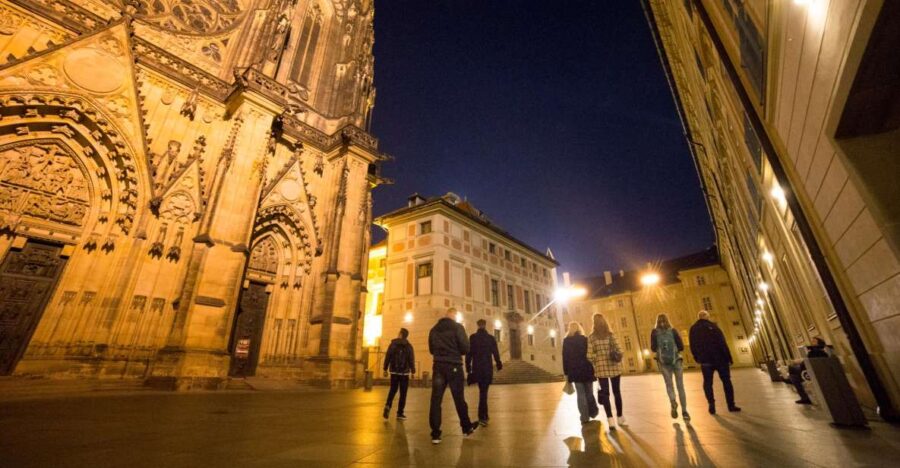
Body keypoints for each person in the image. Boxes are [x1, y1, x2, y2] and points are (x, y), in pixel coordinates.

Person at [428, 308, 478, 444]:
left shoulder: (434, 329)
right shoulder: (457, 327)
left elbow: (431, 349)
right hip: (454, 366)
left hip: (438, 366)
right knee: (459, 399)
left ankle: (435, 434)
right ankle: (466, 428)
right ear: (454, 315)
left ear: (445, 316)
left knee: (436, 400)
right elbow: (465, 348)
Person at [689, 310, 741, 414]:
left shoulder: (693, 328)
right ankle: (731, 405)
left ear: (698, 317)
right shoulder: (714, 326)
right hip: (720, 359)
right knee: (726, 381)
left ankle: (711, 404)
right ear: (707, 317)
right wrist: (729, 358)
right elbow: (722, 342)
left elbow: (692, 345)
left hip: (705, 361)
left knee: (708, 383)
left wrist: (697, 358)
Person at [587, 313, 626, 428]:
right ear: (604, 322)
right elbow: (620, 350)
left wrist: (597, 358)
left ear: (594, 323)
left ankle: (610, 420)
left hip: (601, 369)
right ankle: (619, 417)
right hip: (614, 367)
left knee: (605, 394)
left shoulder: (591, 337)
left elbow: (589, 355)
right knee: (617, 392)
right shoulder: (610, 335)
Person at [650, 313, 690, 421]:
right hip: (676, 360)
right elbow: (681, 346)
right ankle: (685, 412)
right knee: (680, 386)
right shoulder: (673, 331)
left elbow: (653, 348)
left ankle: (673, 401)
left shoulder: (654, 332)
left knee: (669, 385)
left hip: (663, 363)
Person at [466, 319, 503, 426]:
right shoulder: (490, 338)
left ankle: (483, 416)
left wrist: (468, 368)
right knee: (483, 393)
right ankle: (483, 416)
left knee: (482, 392)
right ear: (485, 325)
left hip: (477, 368)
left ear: (478, 326)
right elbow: (495, 352)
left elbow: (469, 354)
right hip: (487, 369)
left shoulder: (473, 338)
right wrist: (499, 363)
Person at [563, 321, 599, 424]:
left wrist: (566, 373)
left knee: (581, 394)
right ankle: (593, 412)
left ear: (570, 329)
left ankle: (584, 417)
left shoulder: (566, 341)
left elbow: (565, 358)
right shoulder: (585, 339)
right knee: (589, 392)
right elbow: (591, 353)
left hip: (575, 371)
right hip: (587, 369)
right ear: (579, 328)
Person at [383, 328, 415, 420]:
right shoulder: (409, 346)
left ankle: (388, 405)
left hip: (394, 372)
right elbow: (411, 359)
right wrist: (413, 371)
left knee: (392, 390)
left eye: (398, 333)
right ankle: (400, 413)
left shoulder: (393, 344)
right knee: (403, 393)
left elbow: (388, 356)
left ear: (401, 334)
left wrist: (385, 368)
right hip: (404, 373)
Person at [789, 336, 829, 405]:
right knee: (793, 373)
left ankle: (804, 397)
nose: (812, 343)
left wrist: (800, 363)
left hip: (810, 371)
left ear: (819, 342)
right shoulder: (816, 351)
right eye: (812, 341)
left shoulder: (816, 351)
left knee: (792, 373)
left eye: (814, 341)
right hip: (808, 369)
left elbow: (808, 361)